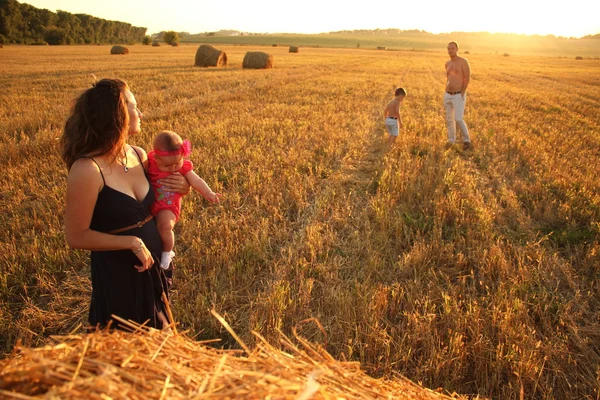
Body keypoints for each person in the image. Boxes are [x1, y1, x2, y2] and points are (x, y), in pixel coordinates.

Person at [61, 78, 190, 330]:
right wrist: (130, 242)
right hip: (118, 275)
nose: (140, 113)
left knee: (158, 345)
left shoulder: (138, 154)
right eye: (134, 106)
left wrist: (181, 189)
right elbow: (76, 236)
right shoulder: (87, 169)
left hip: (152, 268)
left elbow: (156, 206)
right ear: (117, 114)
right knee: (124, 351)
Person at [147, 130, 221, 270]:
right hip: (149, 203)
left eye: (177, 163)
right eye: (167, 166)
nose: (173, 168)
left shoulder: (184, 167)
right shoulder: (149, 161)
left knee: (165, 227)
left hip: (167, 206)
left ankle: (167, 253)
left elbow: (196, 180)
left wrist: (208, 192)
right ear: (156, 158)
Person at [444, 41, 472, 150]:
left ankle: (467, 140)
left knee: (458, 119)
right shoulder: (447, 63)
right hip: (447, 95)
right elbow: (449, 78)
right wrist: (446, 91)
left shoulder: (463, 62)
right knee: (449, 119)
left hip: (458, 95)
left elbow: (467, 77)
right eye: (449, 48)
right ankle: (451, 141)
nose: (450, 50)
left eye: (452, 48)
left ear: (457, 49)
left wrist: (462, 92)